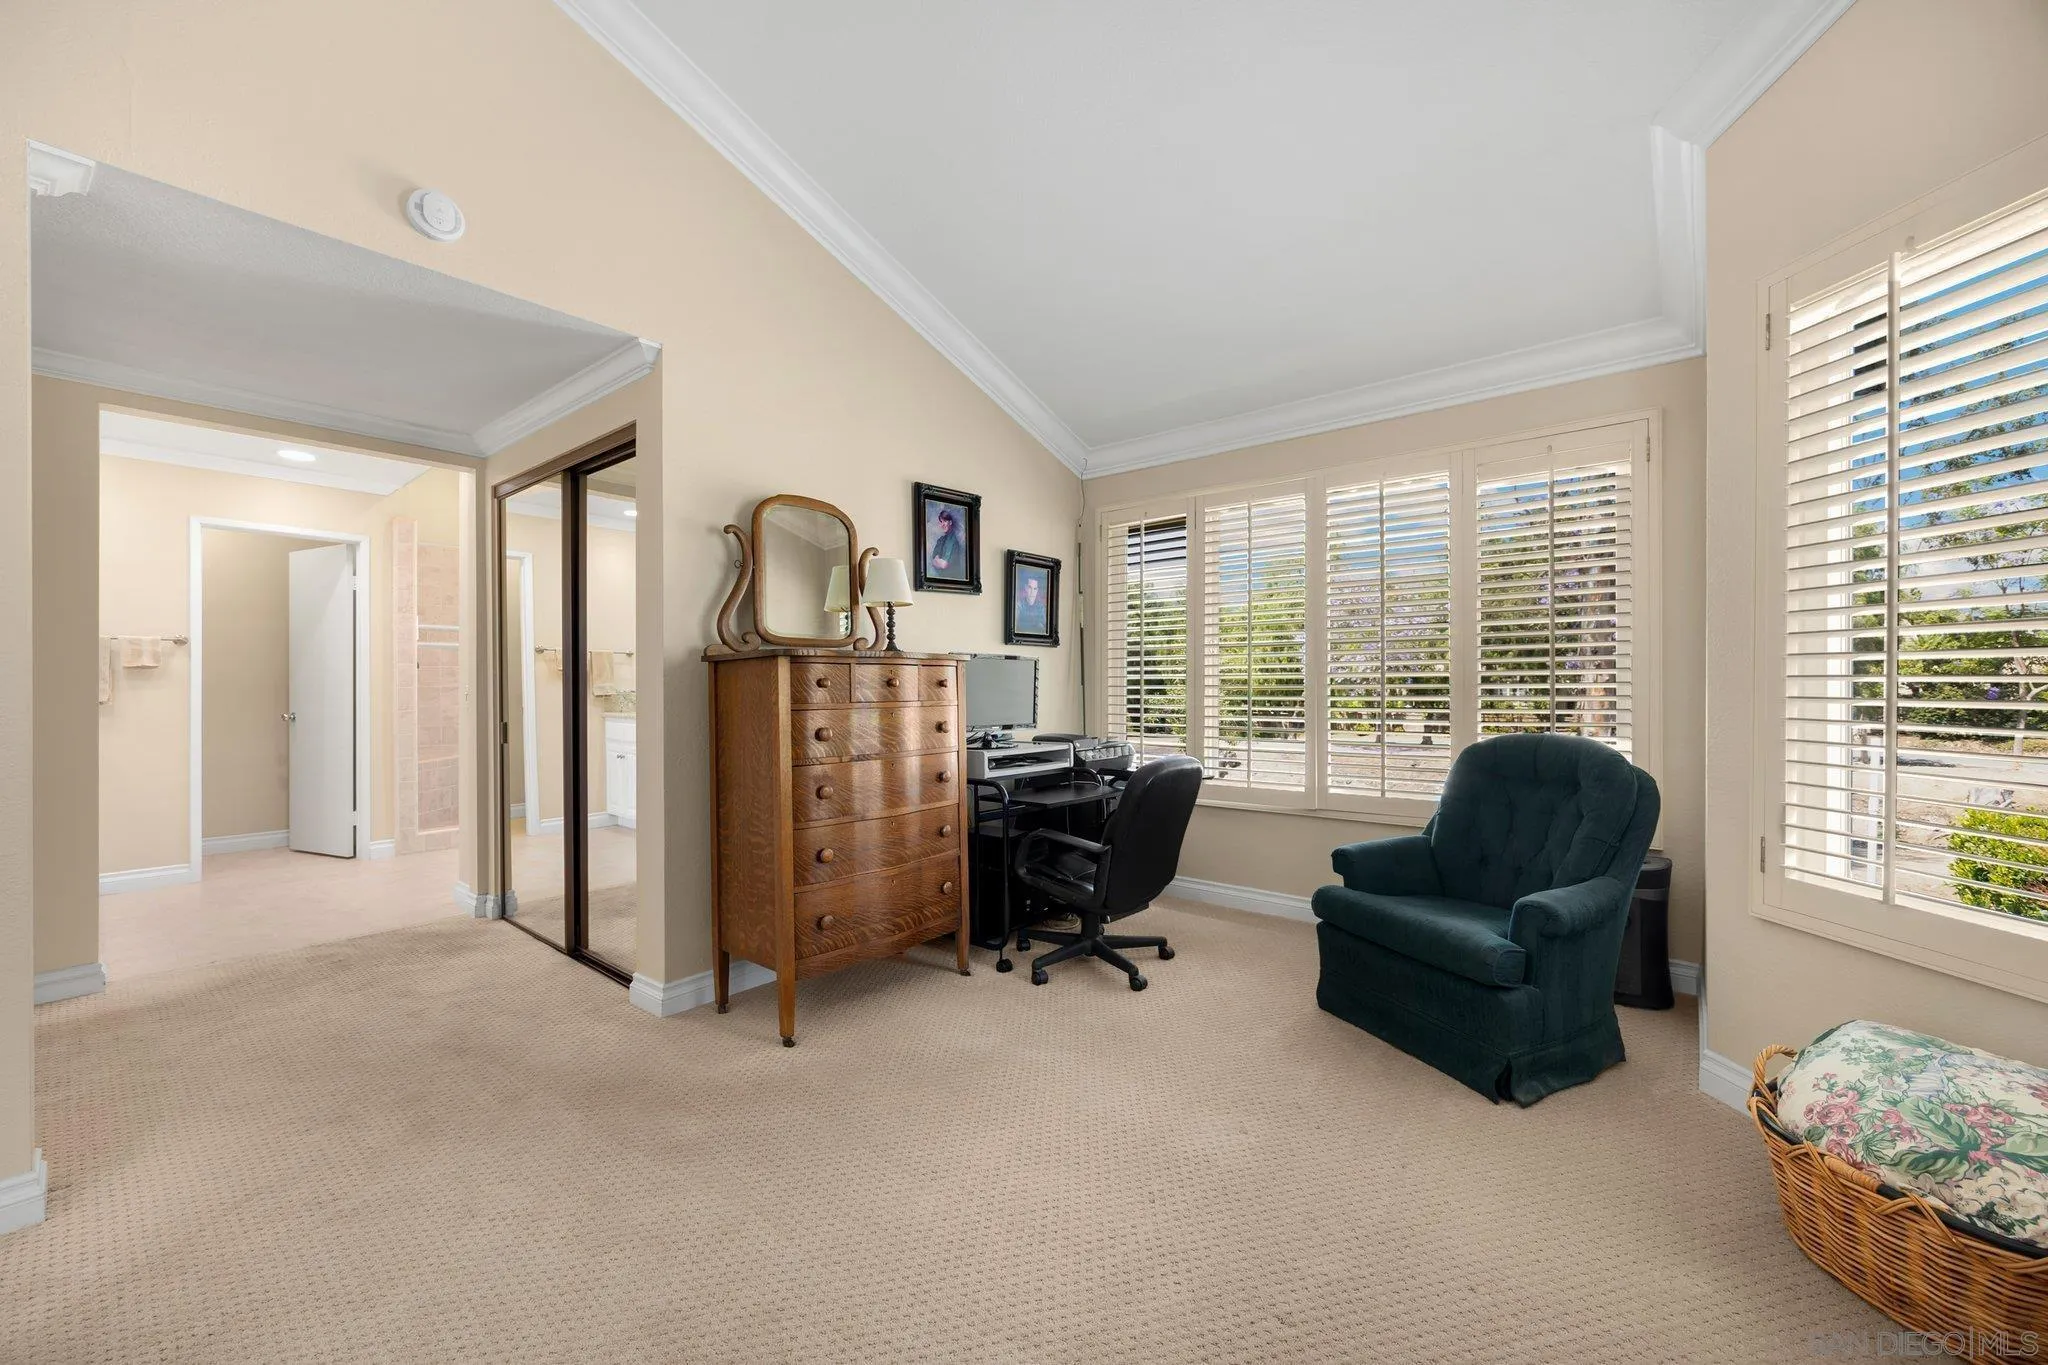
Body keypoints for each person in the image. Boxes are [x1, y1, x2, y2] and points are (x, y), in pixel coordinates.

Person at [928, 506, 963, 577]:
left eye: (945, 521)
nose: (942, 524)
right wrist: (939, 562)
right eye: (941, 522)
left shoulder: (954, 541)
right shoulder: (940, 540)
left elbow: (944, 565)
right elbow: (934, 561)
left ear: (950, 522)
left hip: (952, 578)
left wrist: (939, 562)